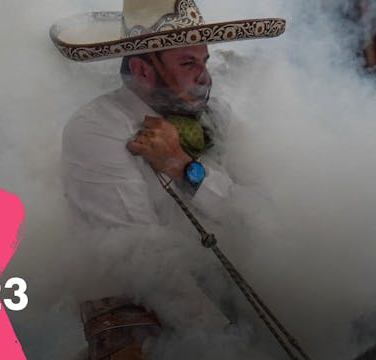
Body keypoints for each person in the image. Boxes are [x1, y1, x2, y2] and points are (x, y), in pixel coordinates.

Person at [49, 1, 286, 358]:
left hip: (234, 306)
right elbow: (145, 261)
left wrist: (184, 167)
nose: (204, 76)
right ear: (143, 70)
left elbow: (261, 219)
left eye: (203, 61)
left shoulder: (218, 114)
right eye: (188, 63)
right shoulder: (96, 128)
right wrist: (232, 346)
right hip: (155, 334)